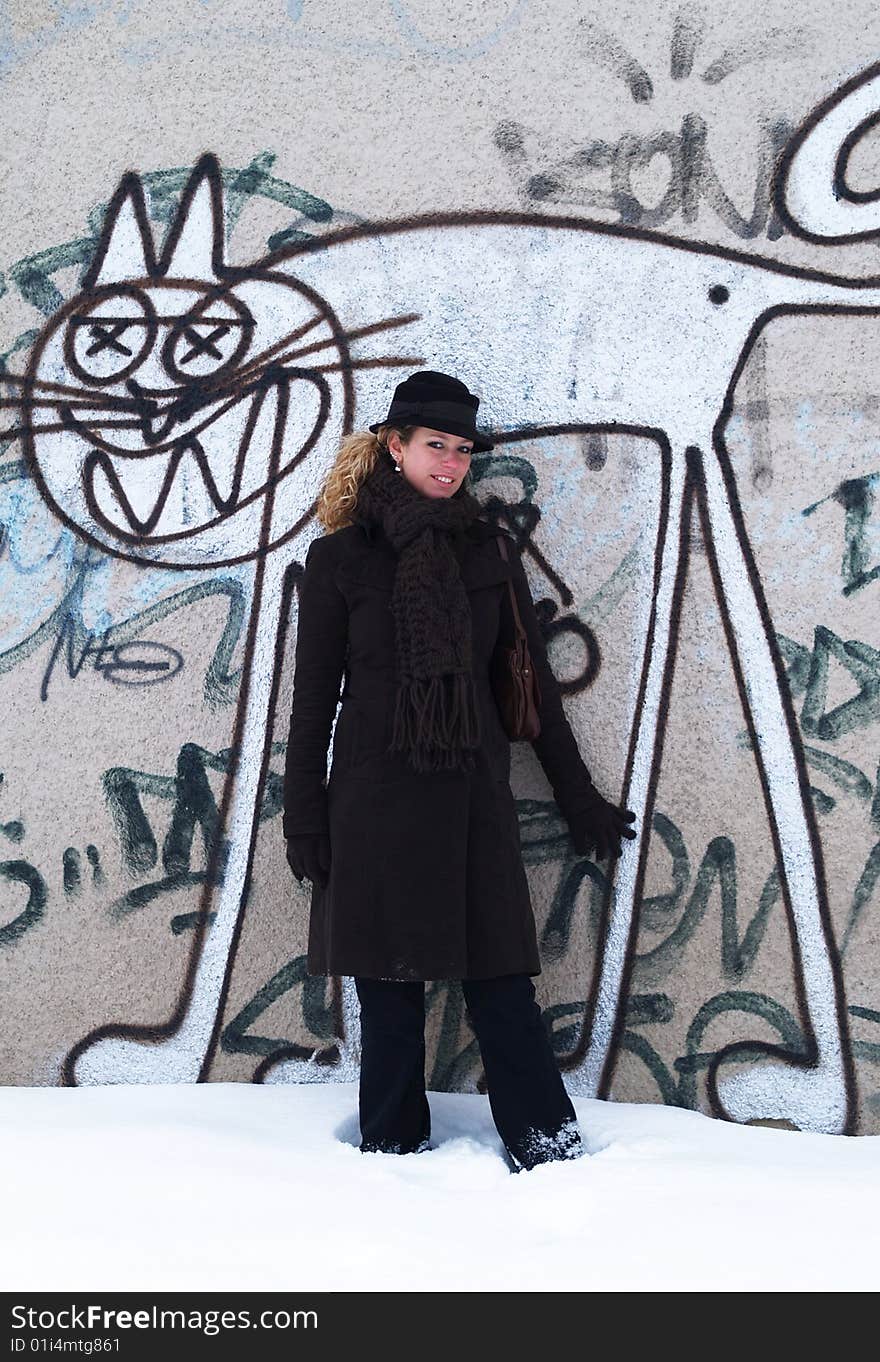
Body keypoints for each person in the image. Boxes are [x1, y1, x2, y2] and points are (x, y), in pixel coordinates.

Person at [282, 370, 637, 1173]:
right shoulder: (340, 559)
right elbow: (313, 701)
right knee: (389, 1003)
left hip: (473, 800)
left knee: (504, 992)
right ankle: (393, 1162)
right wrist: (302, 814)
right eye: (435, 446)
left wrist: (576, 796)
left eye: (463, 451)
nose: (450, 464)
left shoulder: (487, 552)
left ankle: (551, 1161)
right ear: (394, 446)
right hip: (371, 803)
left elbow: (530, 683)